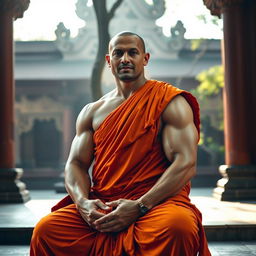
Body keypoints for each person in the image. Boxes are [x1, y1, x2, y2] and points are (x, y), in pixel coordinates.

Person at [30, 31, 211, 256]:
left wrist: (140, 205)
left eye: (132, 52)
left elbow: (185, 162)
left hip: (157, 202)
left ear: (145, 58)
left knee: (178, 228)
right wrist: (83, 203)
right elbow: (75, 164)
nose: (125, 59)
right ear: (109, 61)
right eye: (118, 53)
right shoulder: (92, 111)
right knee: (47, 231)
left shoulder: (169, 102)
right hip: (104, 202)